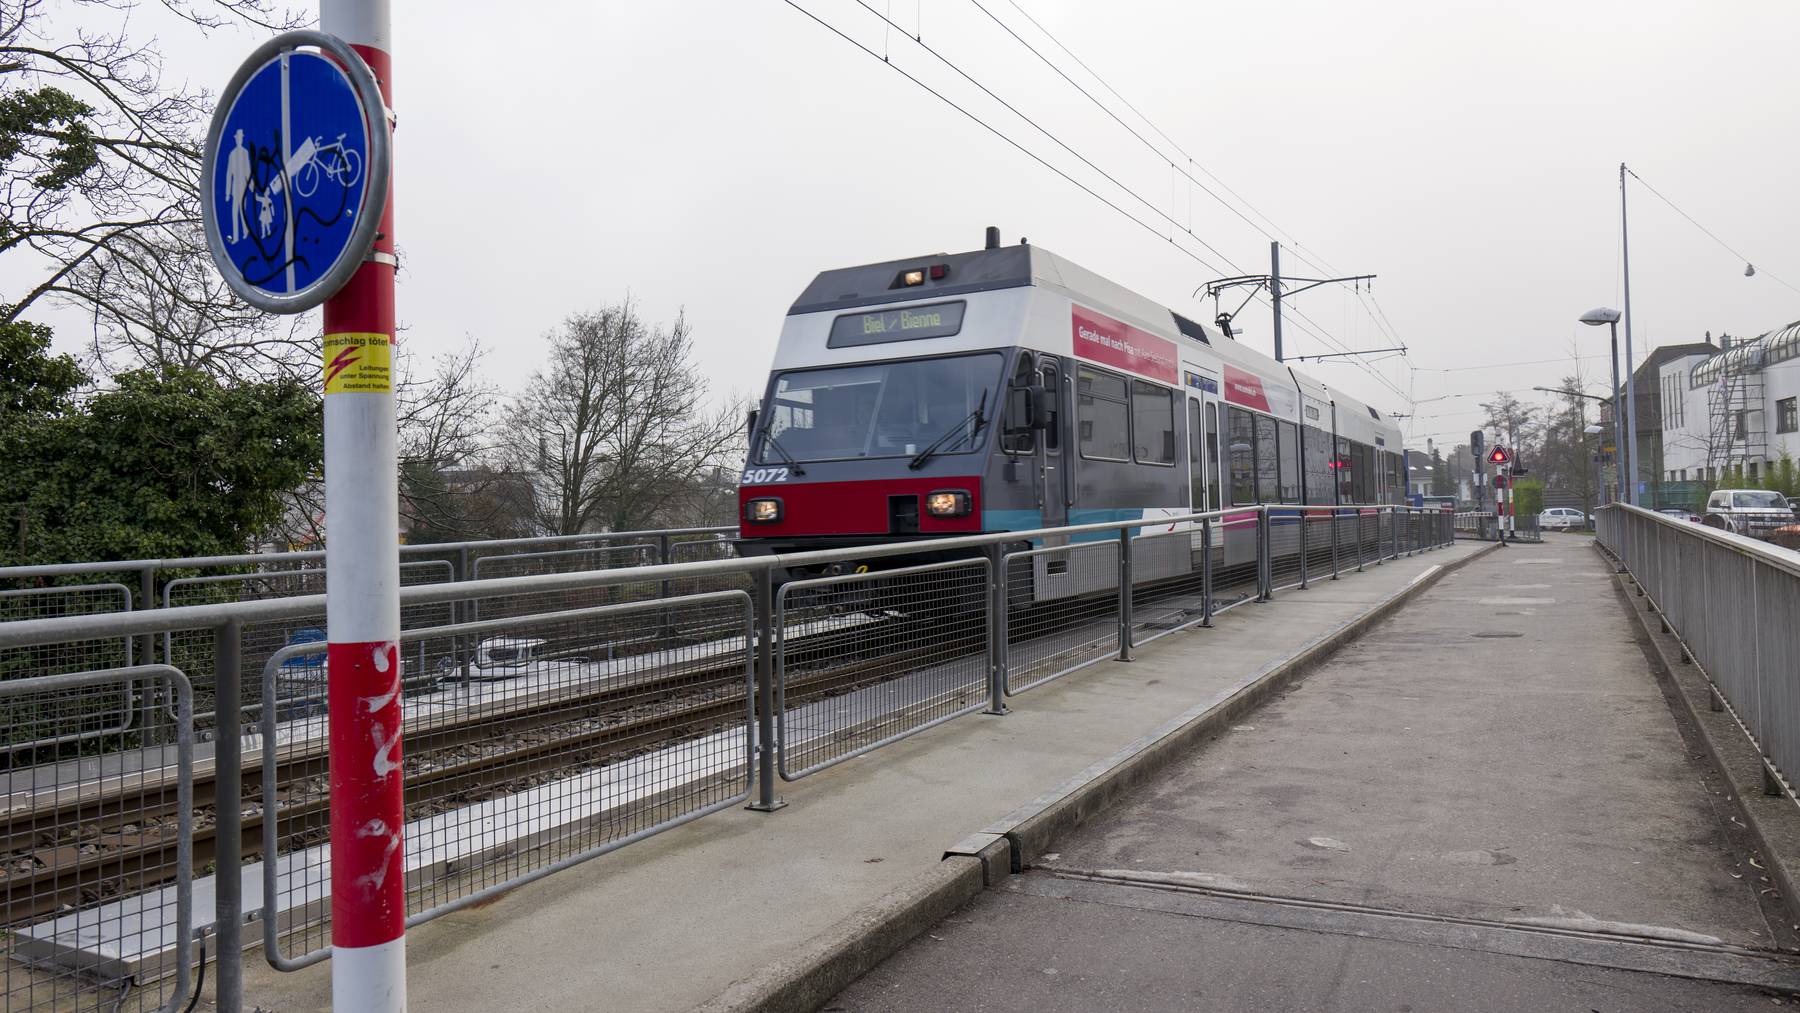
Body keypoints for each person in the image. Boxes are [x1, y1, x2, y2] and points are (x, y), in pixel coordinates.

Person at [224, 128, 252, 243]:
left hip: (243, 186)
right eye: (237, 138)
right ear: (236, 139)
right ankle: (236, 237)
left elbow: (248, 172)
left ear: (242, 139)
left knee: (243, 211)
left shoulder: (245, 153)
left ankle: (246, 232)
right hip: (235, 187)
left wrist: (253, 188)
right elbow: (229, 174)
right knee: (234, 212)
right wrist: (227, 192)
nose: (239, 140)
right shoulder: (232, 154)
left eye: (240, 138)